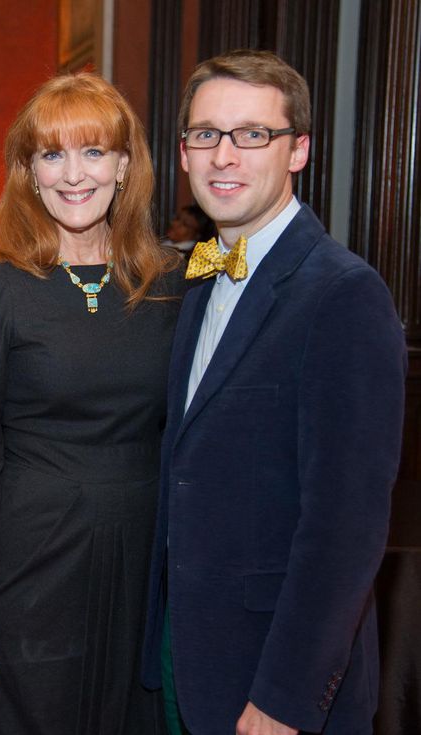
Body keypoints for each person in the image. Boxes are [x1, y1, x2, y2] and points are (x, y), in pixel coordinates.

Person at [141, 49, 406, 735]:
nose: (224, 155)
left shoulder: (343, 294)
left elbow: (345, 529)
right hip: (189, 655)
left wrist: (285, 698)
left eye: (253, 134)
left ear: (299, 151)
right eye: (206, 134)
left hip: (272, 680)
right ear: (183, 152)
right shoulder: (198, 281)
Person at [0, 72, 184, 734]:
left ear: (125, 165)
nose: (73, 174)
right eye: (52, 154)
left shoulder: (170, 283)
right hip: (31, 562)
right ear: (29, 170)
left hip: (142, 563)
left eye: (93, 151)